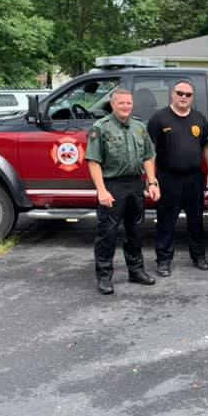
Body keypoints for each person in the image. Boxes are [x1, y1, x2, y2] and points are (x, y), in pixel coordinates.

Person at [86, 87, 161, 295]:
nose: (126, 106)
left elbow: (148, 156)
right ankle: (104, 277)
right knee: (107, 233)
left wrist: (152, 182)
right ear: (113, 104)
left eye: (129, 103)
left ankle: (136, 271)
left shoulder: (139, 127)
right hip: (112, 185)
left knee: (136, 231)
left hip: (136, 184)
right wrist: (101, 190)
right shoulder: (100, 128)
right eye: (121, 103)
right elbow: (93, 161)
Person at [147, 79, 208, 277]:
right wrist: (152, 179)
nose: (184, 97)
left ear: (192, 97)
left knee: (196, 221)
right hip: (168, 178)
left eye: (188, 94)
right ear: (172, 94)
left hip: (194, 178)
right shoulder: (159, 119)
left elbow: (207, 147)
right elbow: (149, 152)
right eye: (180, 93)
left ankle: (199, 257)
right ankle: (163, 261)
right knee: (166, 221)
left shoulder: (199, 118)